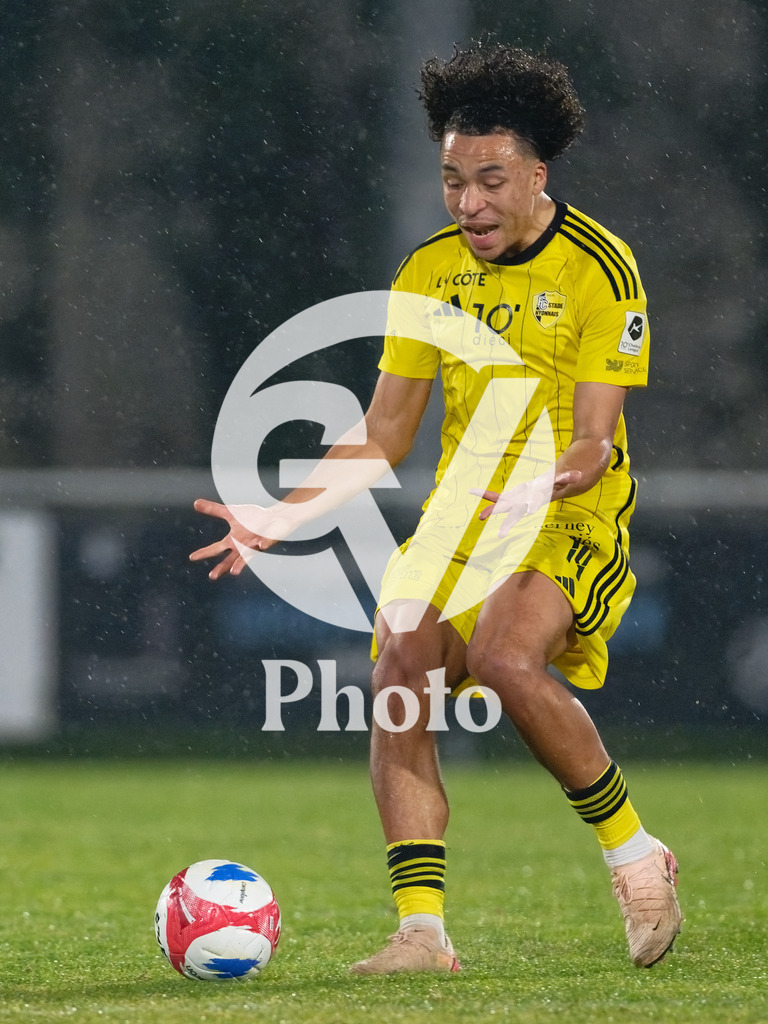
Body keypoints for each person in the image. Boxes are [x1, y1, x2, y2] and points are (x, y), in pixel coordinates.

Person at [190, 42, 682, 973]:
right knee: (400, 666)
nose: (470, 203)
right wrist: (277, 517)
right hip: (468, 519)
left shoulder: (601, 271)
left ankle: (635, 855)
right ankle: (422, 933)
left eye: (491, 180)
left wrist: (538, 481)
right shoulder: (427, 274)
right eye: (454, 180)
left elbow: (594, 441)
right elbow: (382, 433)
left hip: (570, 512)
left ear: (537, 174)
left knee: (503, 656)